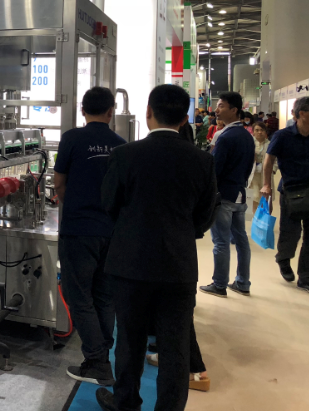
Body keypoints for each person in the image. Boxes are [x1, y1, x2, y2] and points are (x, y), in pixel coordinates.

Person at [95, 85, 217, 411]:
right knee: (175, 346)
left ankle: (125, 403)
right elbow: (205, 215)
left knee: (129, 342)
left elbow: (109, 203)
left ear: (148, 112)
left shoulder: (125, 155)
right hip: (178, 265)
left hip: (130, 263)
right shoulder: (202, 161)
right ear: (184, 118)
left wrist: (132, 227)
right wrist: (180, 232)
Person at [54, 87, 126, 386]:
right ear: (111, 111)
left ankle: (97, 362)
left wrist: (72, 204)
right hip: (110, 231)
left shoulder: (72, 138)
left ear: (82, 110)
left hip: (79, 230)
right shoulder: (121, 145)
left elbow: (59, 182)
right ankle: (102, 353)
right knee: (104, 297)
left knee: (79, 295)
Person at [201, 92, 255, 298]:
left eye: (221, 106)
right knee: (241, 239)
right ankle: (243, 282)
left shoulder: (225, 137)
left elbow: (215, 169)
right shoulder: (247, 136)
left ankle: (219, 284)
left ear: (234, 110)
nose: (217, 110)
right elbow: (249, 166)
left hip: (223, 195)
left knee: (221, 241)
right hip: (239, 194)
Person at [261, 96, 309, 291]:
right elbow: (268, 160)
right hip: (291, 191)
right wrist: (267, 185)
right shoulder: (283, 136)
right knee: (291, 232)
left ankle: (305, 276)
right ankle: (283, 258)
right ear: (302, 114)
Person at [249, 122, 271, 215]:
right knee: (255, 196)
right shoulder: (250, 143)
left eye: (262, 130)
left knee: (265, 197)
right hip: (253, 174)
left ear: (265, 132)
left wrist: (273, 169)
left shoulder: (270, 144)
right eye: (257, 130)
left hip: (266, 175)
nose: (259, 132)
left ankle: (264, 218)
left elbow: (276, 159)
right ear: (253, 132)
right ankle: (256, 217)